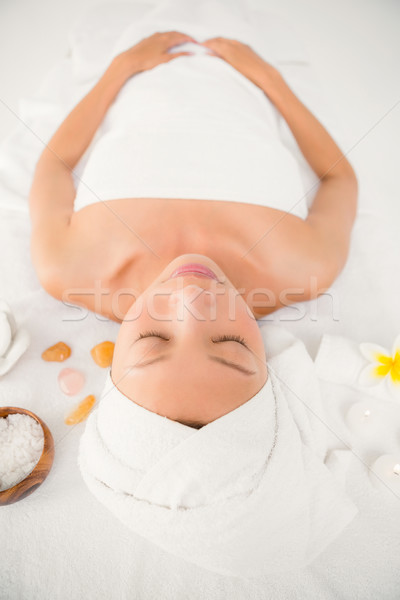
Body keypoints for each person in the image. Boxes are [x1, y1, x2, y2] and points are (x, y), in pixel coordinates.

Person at [28, 30, 358, 428]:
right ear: (267, 358)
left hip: (132, 51)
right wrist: (268, 78)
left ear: (114, 356)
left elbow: (55, 164)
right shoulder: (304, 266)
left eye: (155, 341)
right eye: (231, 346)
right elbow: (338, 178)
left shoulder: (67, 267)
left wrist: (120, 68)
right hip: (247, 61)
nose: (191, 300)